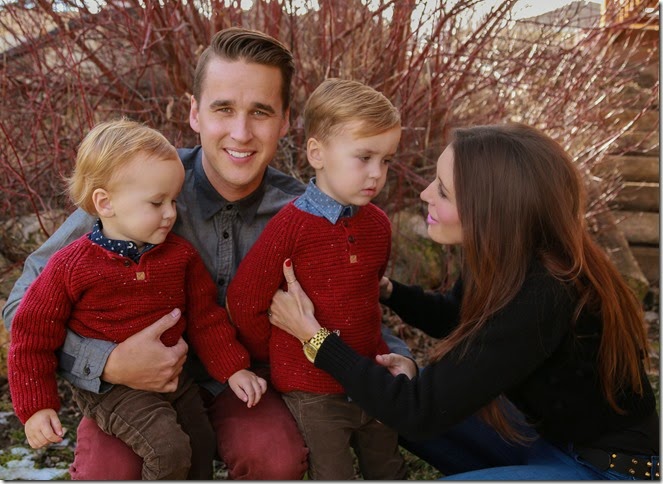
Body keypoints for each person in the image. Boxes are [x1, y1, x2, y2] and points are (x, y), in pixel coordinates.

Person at [2, 27, 413, 480]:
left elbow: (352, 299)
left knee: (274, 456)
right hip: (131, 390)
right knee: (109, 470)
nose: (241, 132)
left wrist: (399, 356)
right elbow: (23, 306)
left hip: (244, 383)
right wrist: (106, 362)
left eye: (260, 112)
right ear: (195, 112)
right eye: (223, 109)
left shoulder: (305, 214)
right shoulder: (137, 186)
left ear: (284, 121)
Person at [267, 123, 660, 480]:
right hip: (542, 440)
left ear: (489, 211)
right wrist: (388, 290)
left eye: (442, 190)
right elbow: (456, 317)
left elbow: (417, 412)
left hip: (602, 469)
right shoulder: (508, 255)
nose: (425, 194)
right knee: (387, 398)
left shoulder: (544, 293)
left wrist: (315, 339)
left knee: (398, 402)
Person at [8, 119, 268, 479]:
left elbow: (205, 319)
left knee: (200, 442)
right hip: (113, 390)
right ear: (105, 203)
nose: (171, 214)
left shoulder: (179, 257)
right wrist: (37, 407)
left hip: (175, 381)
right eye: (157, 202)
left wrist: (233, 367)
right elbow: (32, 334)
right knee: (168, 450)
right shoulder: (71, 266)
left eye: (174, 201)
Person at [226, 78, 406, 479]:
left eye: (386, 160)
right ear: (317, 153)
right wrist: (279, 352)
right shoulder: (290, 227)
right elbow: (244, 300)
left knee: (388, 465)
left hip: (368, 374)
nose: (377, 174)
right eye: (364, 157)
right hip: (311, 387)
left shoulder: (378, 224)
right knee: (333, 472)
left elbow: (368, 293)